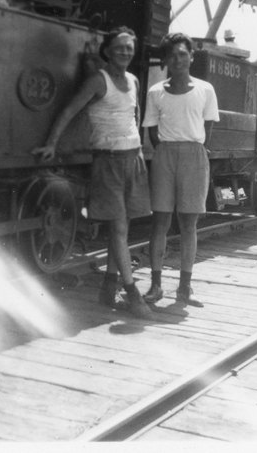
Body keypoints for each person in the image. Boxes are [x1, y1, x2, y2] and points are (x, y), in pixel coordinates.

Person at [32, 27, 152, 318]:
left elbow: (131, 119)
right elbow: (69, 110)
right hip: (108, 162)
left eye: (129, 48)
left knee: (120, 229)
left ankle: (108, 289)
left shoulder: (134, 81)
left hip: (132, 159)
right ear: (107, 51)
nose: (126, 52)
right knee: (119, 228)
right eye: (120, 47)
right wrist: (51, 143)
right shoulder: (99, 81)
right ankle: (132, 293)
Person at [141, 32, 220, 308]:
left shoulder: (205, 90)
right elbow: (151, 130)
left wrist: (192, 149)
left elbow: (208, 127)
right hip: (165, 155)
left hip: (194, 155)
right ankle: (156, 285)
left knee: (188, 224)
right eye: (172, 55)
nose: (177, 59)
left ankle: (184, 288)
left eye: (183, 54)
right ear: (165, 60)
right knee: (160, 222)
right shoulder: (156, 92)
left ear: (192, 57)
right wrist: (166, 151)